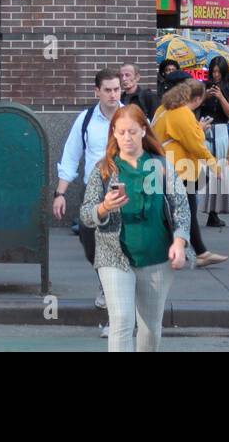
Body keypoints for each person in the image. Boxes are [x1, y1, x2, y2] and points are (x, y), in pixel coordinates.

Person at [80, 104, 190, 352]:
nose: (126, 138)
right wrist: (104, 208)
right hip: (114, 256)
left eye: (132, 131)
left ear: (143, 131)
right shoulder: (105, 169)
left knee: (150, 326)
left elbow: (181, 207)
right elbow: (86, 214)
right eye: (120, 132)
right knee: (121, 320)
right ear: (113, 134)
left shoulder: (159, 165)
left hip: (157, 256)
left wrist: (180, 242)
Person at [53, 68, 126, 325]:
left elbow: (151, 154)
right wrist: (60, 193)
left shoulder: (133, 118)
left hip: (123, 192)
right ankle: (106, 281)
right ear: (97, 91)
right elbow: (71, 156)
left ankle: (114, 302)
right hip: (93, 193)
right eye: (107, 90)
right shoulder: (85, 120)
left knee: (117, 246)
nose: (113, 94)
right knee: (89, 240)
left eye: (117, 89)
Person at [153, 78, 228, 268]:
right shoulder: (182, 113)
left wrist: (198, 129)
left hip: (166, 167)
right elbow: (195, 144)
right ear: (195, 99)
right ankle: (200, 252)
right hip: (181, 169)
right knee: (187, 212)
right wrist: (215, 166)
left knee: (177, 212)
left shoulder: (164, 109)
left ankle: (183, 249)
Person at [200, 56, 229, 227]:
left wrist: (221, 97)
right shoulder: (204, 87)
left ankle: (214, 211)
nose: (215, 75)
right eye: (213, 71)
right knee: (206, 172)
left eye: (218, 72)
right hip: (206, 129)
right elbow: (193, 106)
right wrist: (204, 97)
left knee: (220, 172)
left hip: (223, 130)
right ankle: (208, 210)